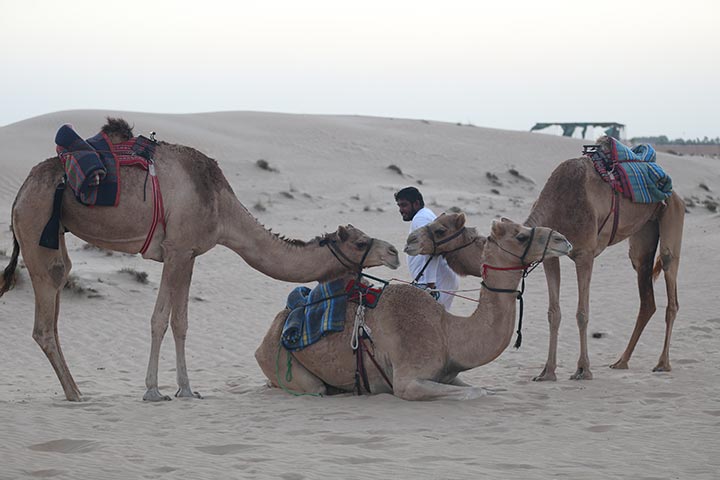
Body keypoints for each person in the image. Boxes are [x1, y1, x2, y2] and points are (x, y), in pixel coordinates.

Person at [394, 186, 459, 311]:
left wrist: (430, 283)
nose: (401, 210)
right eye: (399, 206)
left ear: (416, 203)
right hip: (435, 281)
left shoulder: (421, 219)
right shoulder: (424, 214)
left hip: (435, 283)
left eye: (404, 205)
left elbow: (432, 249)